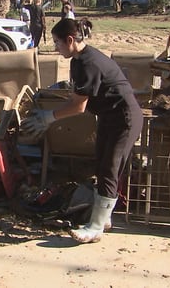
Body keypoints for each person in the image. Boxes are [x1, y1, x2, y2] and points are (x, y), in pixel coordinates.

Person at [21, 18, 143, 243]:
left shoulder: (90, 62)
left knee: (109, 169)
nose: (56, 48)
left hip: (124, 120)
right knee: (102, 165)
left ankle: (95, 228)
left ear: (70, 40)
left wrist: (49, 117)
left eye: (57, 43)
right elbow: (77, 96)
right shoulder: (78, 60)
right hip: (109, 117)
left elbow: (79, 106)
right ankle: (103, 218)